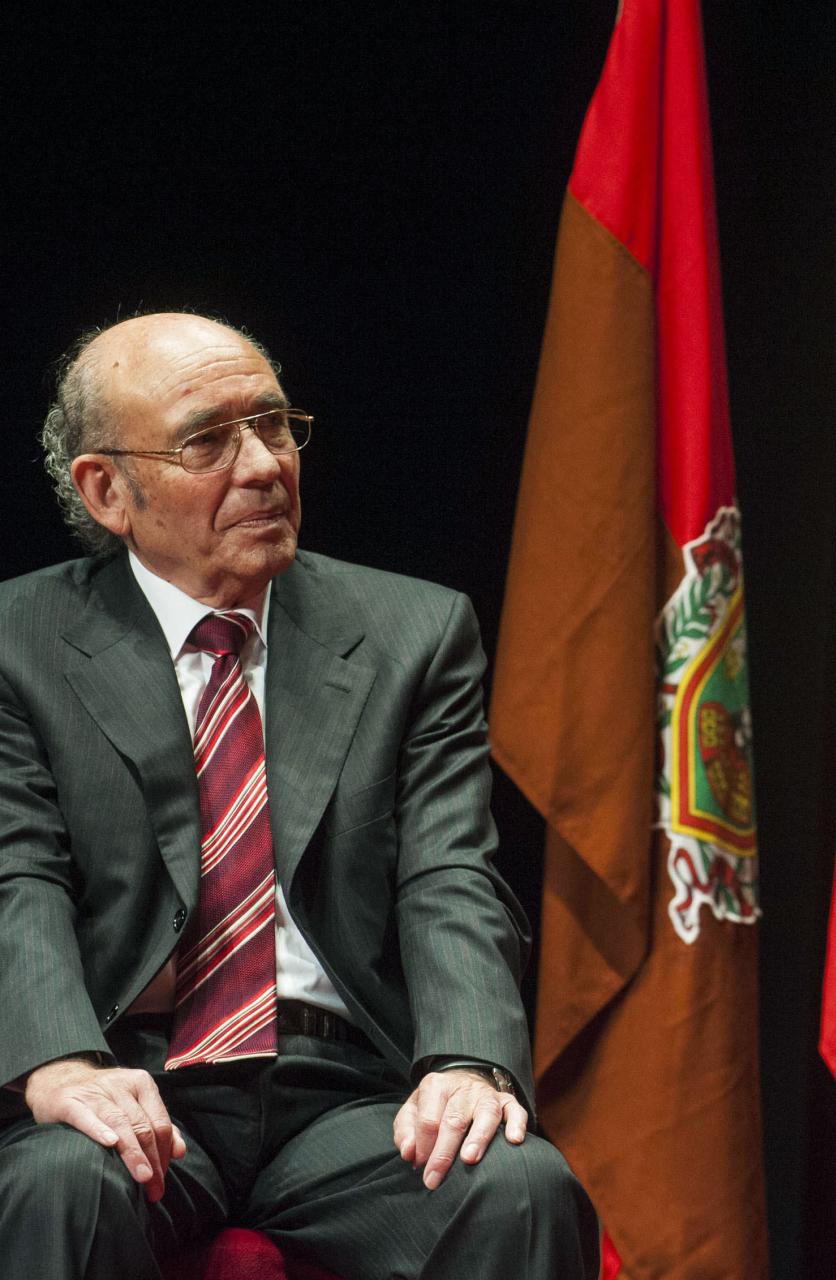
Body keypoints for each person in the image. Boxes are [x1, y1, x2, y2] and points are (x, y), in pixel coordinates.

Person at [0, 312, 596, 1279]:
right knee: (57, 1185)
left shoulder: (414, 631)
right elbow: (14, 872)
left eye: (275, 426)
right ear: (108, 490)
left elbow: (448, 872)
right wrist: (58, 1060)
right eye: (207, 440)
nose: (265, 465)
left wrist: (465, 1059)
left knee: (518, 1190)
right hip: (126, 1072)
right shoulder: (18, 643)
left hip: (342, 1088)